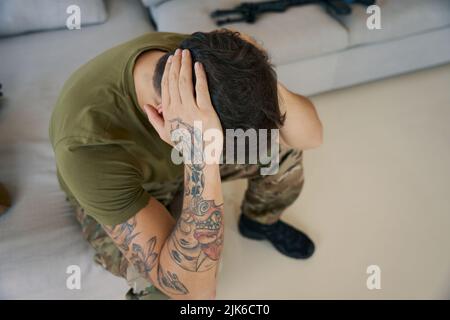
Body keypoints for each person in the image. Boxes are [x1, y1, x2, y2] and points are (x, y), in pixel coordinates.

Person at [49, 29, 323, 299]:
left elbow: (311, 138)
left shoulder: (200, 57)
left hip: (183, 154)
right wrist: (201, 158)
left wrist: (259, 74)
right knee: (166, 288)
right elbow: (196, 293)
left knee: (278, 152)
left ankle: (259, 221)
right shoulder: (85, 148)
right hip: (127, 190)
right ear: (161, 114)